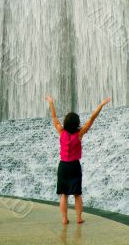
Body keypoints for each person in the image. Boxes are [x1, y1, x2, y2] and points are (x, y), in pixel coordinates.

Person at [45, 95, 111, 225]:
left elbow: (54, 118)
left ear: (65, 123)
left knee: (63, 194)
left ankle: (64, 218)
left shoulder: (61, 132)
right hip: (75, 166)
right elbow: (92, 118)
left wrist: (51, 103)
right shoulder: (79, 134)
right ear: (77, 123)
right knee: (77, 194)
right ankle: (79, 218)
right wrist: (101, 105)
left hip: (63, 166)